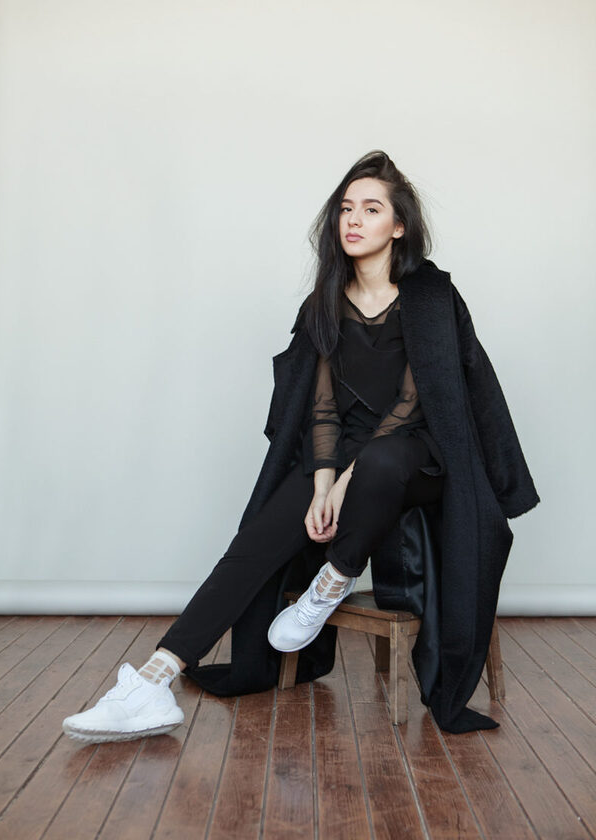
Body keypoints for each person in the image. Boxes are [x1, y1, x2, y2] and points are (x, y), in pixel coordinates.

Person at [62, 150, 539, 743]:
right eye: (346, 208)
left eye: (371, 209)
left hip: (420, 453)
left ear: (399, 226)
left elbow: (413, 404)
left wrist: (346, 483)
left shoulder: (431, 297)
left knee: (383, 459)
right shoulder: (325, 303)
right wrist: (321, 482)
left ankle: (333, 581)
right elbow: (321, 408)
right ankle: (152, 682)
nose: (353, 219)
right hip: (340, 454)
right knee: (254, 544)